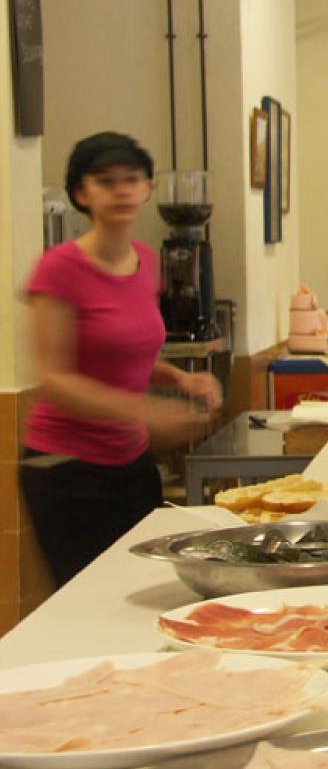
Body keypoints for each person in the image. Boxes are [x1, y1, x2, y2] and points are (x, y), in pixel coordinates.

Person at [19, 132, 222, 586]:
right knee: (88, 598)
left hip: (131, 463)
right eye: (106, 181)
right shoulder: (58, 269)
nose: (121, 190)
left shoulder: (144, 262)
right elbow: (55, 377)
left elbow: (123, 353)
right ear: (81, 193)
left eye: (132, 179)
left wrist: (181, 381)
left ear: (148, 187)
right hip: (66, 469)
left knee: (142, 589)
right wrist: (144, 410)